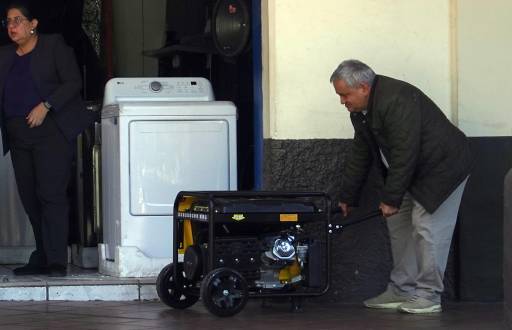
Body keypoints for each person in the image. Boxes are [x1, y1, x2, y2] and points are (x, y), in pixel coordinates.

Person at [330, 59, 472, 314]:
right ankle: (401, 289)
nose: (342, 101)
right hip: (410, 172)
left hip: (441, 169)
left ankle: (428, 296)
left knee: (427, 228)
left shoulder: (396, 100)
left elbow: (406, 151)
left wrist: (392, 198)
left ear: (363, 87)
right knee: (399, 226)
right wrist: (348, 196)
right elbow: (361, 152)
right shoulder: (361, 111)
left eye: (344, 94)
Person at [0, 2, 94, 276]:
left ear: (33, 24)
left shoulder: (53, 46)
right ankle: (41, 255)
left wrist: (46, 105)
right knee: (29, 197)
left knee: (50, 195)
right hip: (18, 134)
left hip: (51, 131)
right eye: (8, 22)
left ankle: (56, 260)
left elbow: (73, 82)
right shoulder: (4, 56)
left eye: (18, 20)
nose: (12, 26)